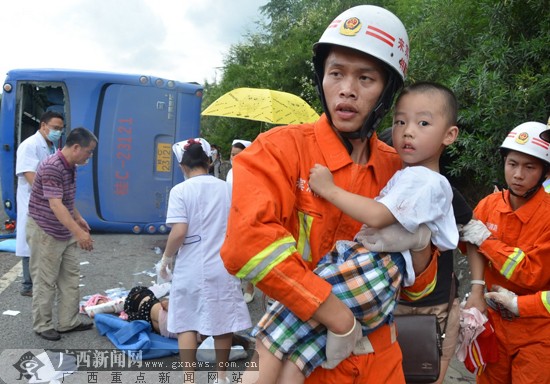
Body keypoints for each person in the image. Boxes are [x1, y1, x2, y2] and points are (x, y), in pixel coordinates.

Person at [220, 5, 441, 383]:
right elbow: (247, 246)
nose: (347, 90)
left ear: (387, 91)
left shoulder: (402, 170)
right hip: (307, 352)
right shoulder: (277, 151)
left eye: (366, 78)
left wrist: (419, 241)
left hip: (380, 357)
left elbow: (419, 288)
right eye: (335, 73)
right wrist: (336, 315)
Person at [250, 82, 460, 382]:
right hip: (379, 288)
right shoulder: (410, 174)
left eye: (422, 123)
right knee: (300, 356)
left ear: (449, 134)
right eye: (400, 122)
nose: (408, 131)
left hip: (368, 272)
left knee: (271, 338)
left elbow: (377, 216)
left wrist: (328, 189)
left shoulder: (421, 179)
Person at [378, 128, 480, 384]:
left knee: (430, 374)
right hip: (384, 307)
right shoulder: (378, 196)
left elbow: (474, 235)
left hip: (437, 308)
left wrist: (477, 288)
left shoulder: (440, 191)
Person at [459, 120, 550, 383]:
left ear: (544, 172)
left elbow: (531, 273)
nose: (518, 175)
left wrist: (487, 241)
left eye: (529, 167)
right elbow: (471, 247)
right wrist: (476, 291)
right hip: (494, 324)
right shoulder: (489, 204)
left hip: (537, 332)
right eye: (512, 164)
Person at [158, 138, 251, 383]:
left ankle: (189, 378)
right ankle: (220, 376)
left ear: (182, 165)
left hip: (190, 265)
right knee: (223, 321)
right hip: (223, 263)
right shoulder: (226, 188)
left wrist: (166, 258)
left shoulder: (180, 191)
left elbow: (179, 231)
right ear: (209, 161)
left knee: (186, 321)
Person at [26, 127, 97, 341]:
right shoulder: (51, 166)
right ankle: (43, 325)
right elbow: (56, 205)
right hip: (45, 229)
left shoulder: (71, 165)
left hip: (63, 229)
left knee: (70, 277)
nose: (89, 156)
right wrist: (80, 233)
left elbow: (65, 198)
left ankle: (68, 321)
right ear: (76, 147)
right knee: (45, 279)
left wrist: (77, 217)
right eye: (88, 151)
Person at [15, 111, 65, 297]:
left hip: (43, 201)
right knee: (30, 243)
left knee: (40, 242)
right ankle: (28, 285)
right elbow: (31, 176)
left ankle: (36, 282)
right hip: (32, 201)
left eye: (60, 129)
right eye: (55, 128)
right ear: (43, 125)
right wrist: (52, 197)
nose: (58, 132)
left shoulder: (49, 146)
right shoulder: (29, 145)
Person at [225, 139, 255, 304]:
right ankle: (234, 287)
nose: (234, 158)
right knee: (233, 254)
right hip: (231, 217)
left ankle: (250, 286)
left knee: (250, 255)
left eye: (238, 155)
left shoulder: (254, 172)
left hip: (249, 218)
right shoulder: (230, 172)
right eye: (232, 154)